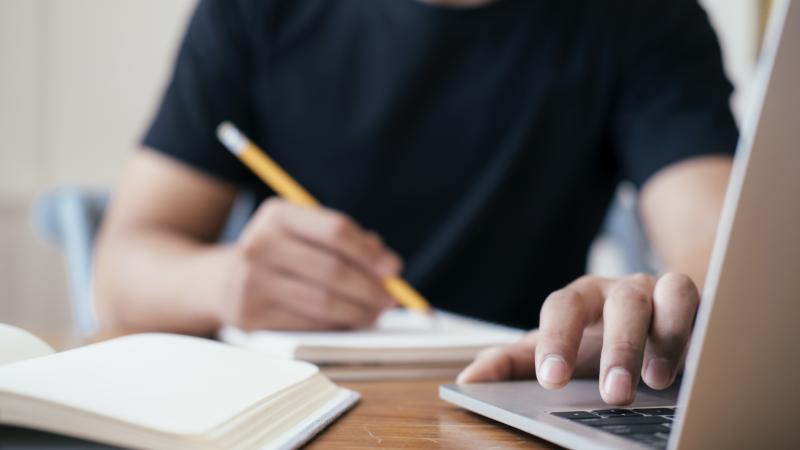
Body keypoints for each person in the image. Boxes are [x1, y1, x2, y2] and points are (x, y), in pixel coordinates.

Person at [93, 0, 737, 406]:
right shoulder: (252, 11)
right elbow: (120, 271)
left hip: (517, 397)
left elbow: (726, 260)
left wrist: (658, 317)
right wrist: (224, 281)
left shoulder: (646, 17)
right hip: (285, 403)